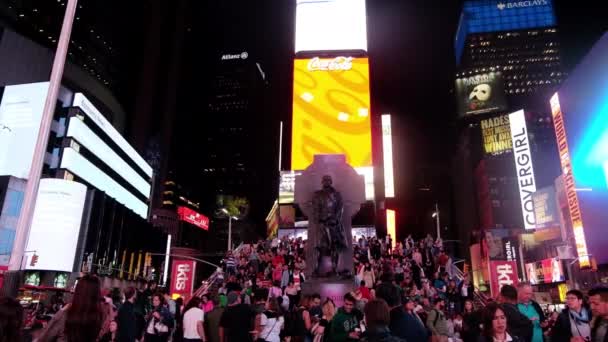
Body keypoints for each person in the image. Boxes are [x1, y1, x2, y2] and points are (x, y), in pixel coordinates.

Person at [39, 274, 111, 342]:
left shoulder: (65, 315)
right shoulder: (100, 316)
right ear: (97, 294)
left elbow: (43, 338)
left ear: (78, 292)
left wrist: (60, 312)